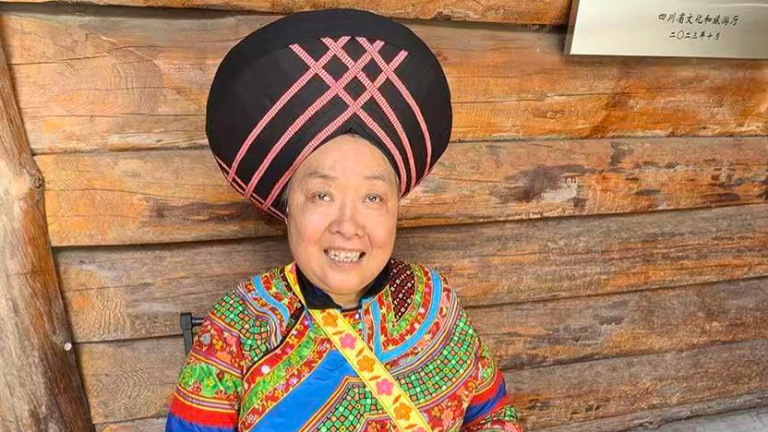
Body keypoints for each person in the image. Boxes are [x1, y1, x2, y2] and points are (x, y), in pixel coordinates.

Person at [165, 8, 524, 432]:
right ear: (287, 207)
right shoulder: (238, 326)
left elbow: (493, 414)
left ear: (395, 210)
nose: (348, 225)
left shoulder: (434, 302)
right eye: (322, 195)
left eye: (373, 197)